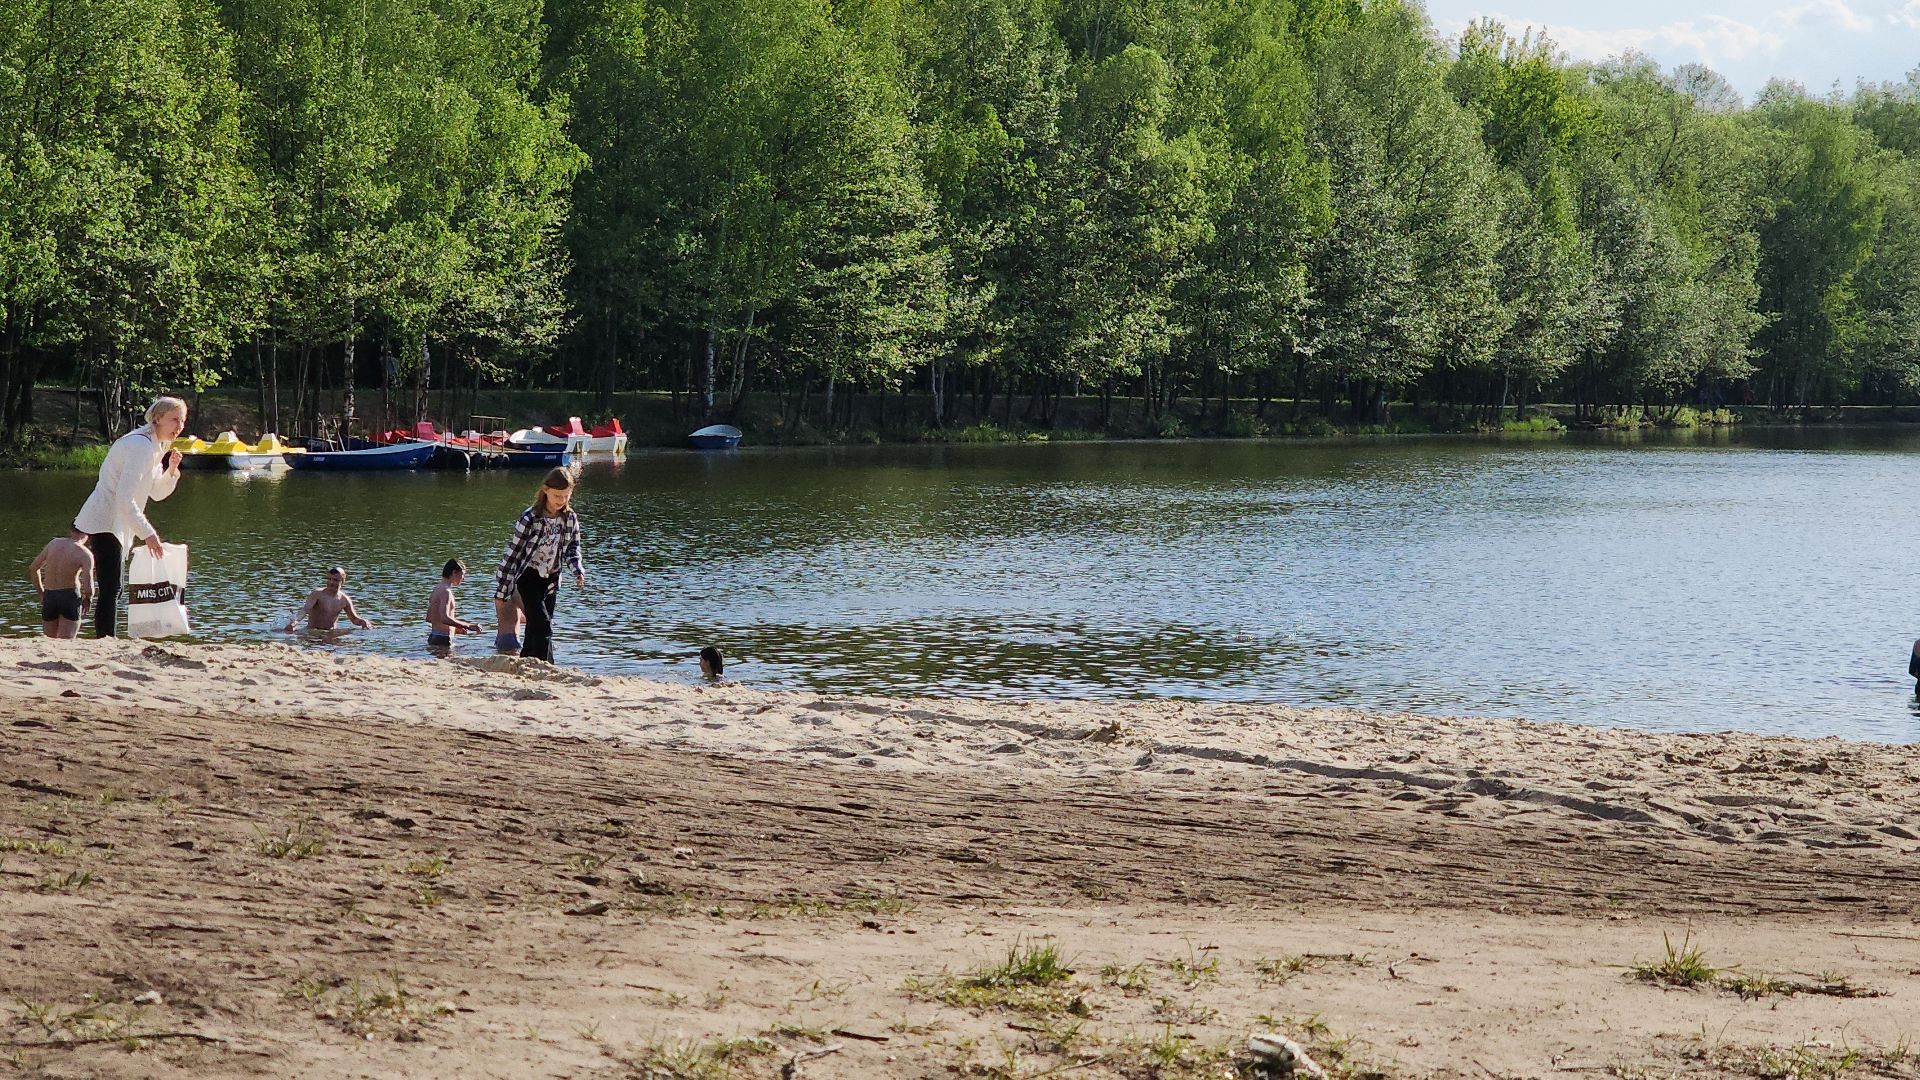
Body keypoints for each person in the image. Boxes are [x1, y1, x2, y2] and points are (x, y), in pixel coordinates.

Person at [72, 396, 185, 637]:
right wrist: (149, 534)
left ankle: (104, 637)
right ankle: (105, 640)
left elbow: (155, 492)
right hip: (104, 518)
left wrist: (172, 471)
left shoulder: (156, 447)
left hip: (119, 522)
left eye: (183, 421)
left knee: (114, 587)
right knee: (112, 587)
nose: (180, 426)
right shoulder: (140, 446)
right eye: (174, 419)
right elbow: (124, 497)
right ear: (157, 418)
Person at [493, 468, 586, 664]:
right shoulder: (530, 518)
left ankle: (525, 663)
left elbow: (572, 548)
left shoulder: (569, 518)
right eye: (557, 496)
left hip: (551, 580)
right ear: (545, 490)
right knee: (543, 625)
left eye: (566, 496)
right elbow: (512, 555)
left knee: (537, 627)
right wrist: (502, 591)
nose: (561, 500)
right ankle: (547, 667)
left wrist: (577, 569)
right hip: (528, 578)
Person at [27, 529, 95, 639]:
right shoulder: (85, 553)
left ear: (70, 530)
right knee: (67, 640)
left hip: (50, 595)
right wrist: (89, 598)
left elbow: (34, 568)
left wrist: (41, 592)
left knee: (49, 640)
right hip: (69, 595)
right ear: (87, 534)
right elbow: (88, 583)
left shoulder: (53, 544)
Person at [283, 567, 374, 633]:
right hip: (312, 631)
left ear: (342, 581)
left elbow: (354, 620)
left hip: (331, 633)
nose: (331, 582)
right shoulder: (317, 594)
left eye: (335, 580)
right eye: (329, 579)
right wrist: (295, 622)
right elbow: (305, 610)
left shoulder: (344, 600)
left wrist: (363, 622)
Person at [427, 558, 481, 651]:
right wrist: (468, 625)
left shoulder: (436, 589)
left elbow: (429, 618)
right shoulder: (446, 592)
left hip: (434, 637)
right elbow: (444, 618)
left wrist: (455, 629)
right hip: (443, 640)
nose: (463, 578)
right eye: (462, 574)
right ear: (454, 572)